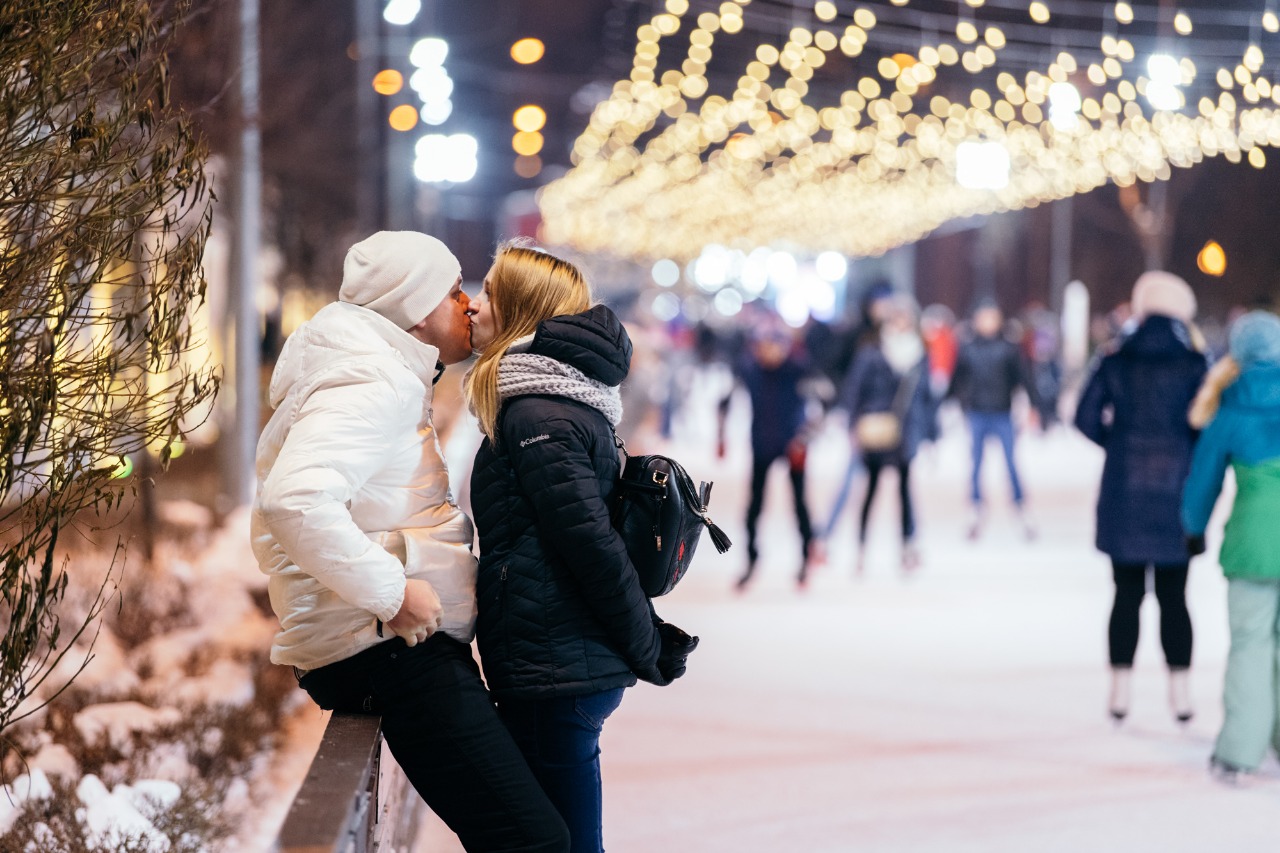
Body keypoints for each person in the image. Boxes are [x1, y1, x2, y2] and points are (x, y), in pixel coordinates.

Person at [251, 231, 570, 853]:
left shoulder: (380, 369)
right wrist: (393, 593)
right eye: (454, 293)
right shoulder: (376, 381)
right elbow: (295, 498)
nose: (468, 305)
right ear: (418, 309)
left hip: (384, 645)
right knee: (533, 841)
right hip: (384, 649)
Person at [464, 241, 696, 853]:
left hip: (555, 668)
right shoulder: (556, 401)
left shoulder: (536, 413)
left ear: (518, 308)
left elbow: (589, 543)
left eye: (489, 292)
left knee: (562, 843)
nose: (473, 304)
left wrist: (647, 641)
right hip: (559, 660)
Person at [1073, 271, 1207, 724]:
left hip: (1124, 493)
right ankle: (1181, 693)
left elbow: (1085, 416)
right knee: (1175, 597)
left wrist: (1119, 442)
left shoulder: (1115, 358)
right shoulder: (1193, 362)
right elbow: (1203, 424)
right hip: (1176, 495)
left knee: (1125, 594)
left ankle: (1120, 691)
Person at [1182, 310, 1280, 783]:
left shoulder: (1229, 406)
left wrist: (1192, 527)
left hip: (1253, 547)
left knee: (1249, 645)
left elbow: (1203, 480)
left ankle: (1241, 752)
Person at [838, 294, 934, 573]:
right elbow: (854, 389)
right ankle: (861, 548)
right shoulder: (872, 352)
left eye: (905, 318)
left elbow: (926, 398)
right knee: (870, 489)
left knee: (905, 491)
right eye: (896, 317)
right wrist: (853, 424)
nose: (901, 323)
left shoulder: (919, 355)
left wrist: (930, 433)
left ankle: (906, 547)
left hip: (905, 432)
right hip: (877, 430)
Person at [717, 322, 817, 589]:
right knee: (754, 505)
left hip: (793, 443)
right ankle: (750, 559)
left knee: (799, 503)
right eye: (763, 346)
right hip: (762, 442)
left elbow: (822, 403)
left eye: (775, 346)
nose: (769, 352)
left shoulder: (798, 369)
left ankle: (806, 558)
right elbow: (724, 401)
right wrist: (720, 437)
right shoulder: (750, 369)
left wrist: (804, 437)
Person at [948, 299, 1037, 539]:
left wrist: (1035, 405)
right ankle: (975, 508)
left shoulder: (1008, 348)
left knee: (1010, 463)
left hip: (1002, 413)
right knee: (976, 465)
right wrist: (952, 402)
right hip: (977, 413)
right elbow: (957, 378)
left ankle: (1021, 508)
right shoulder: (967, 347)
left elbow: (1023, 377)